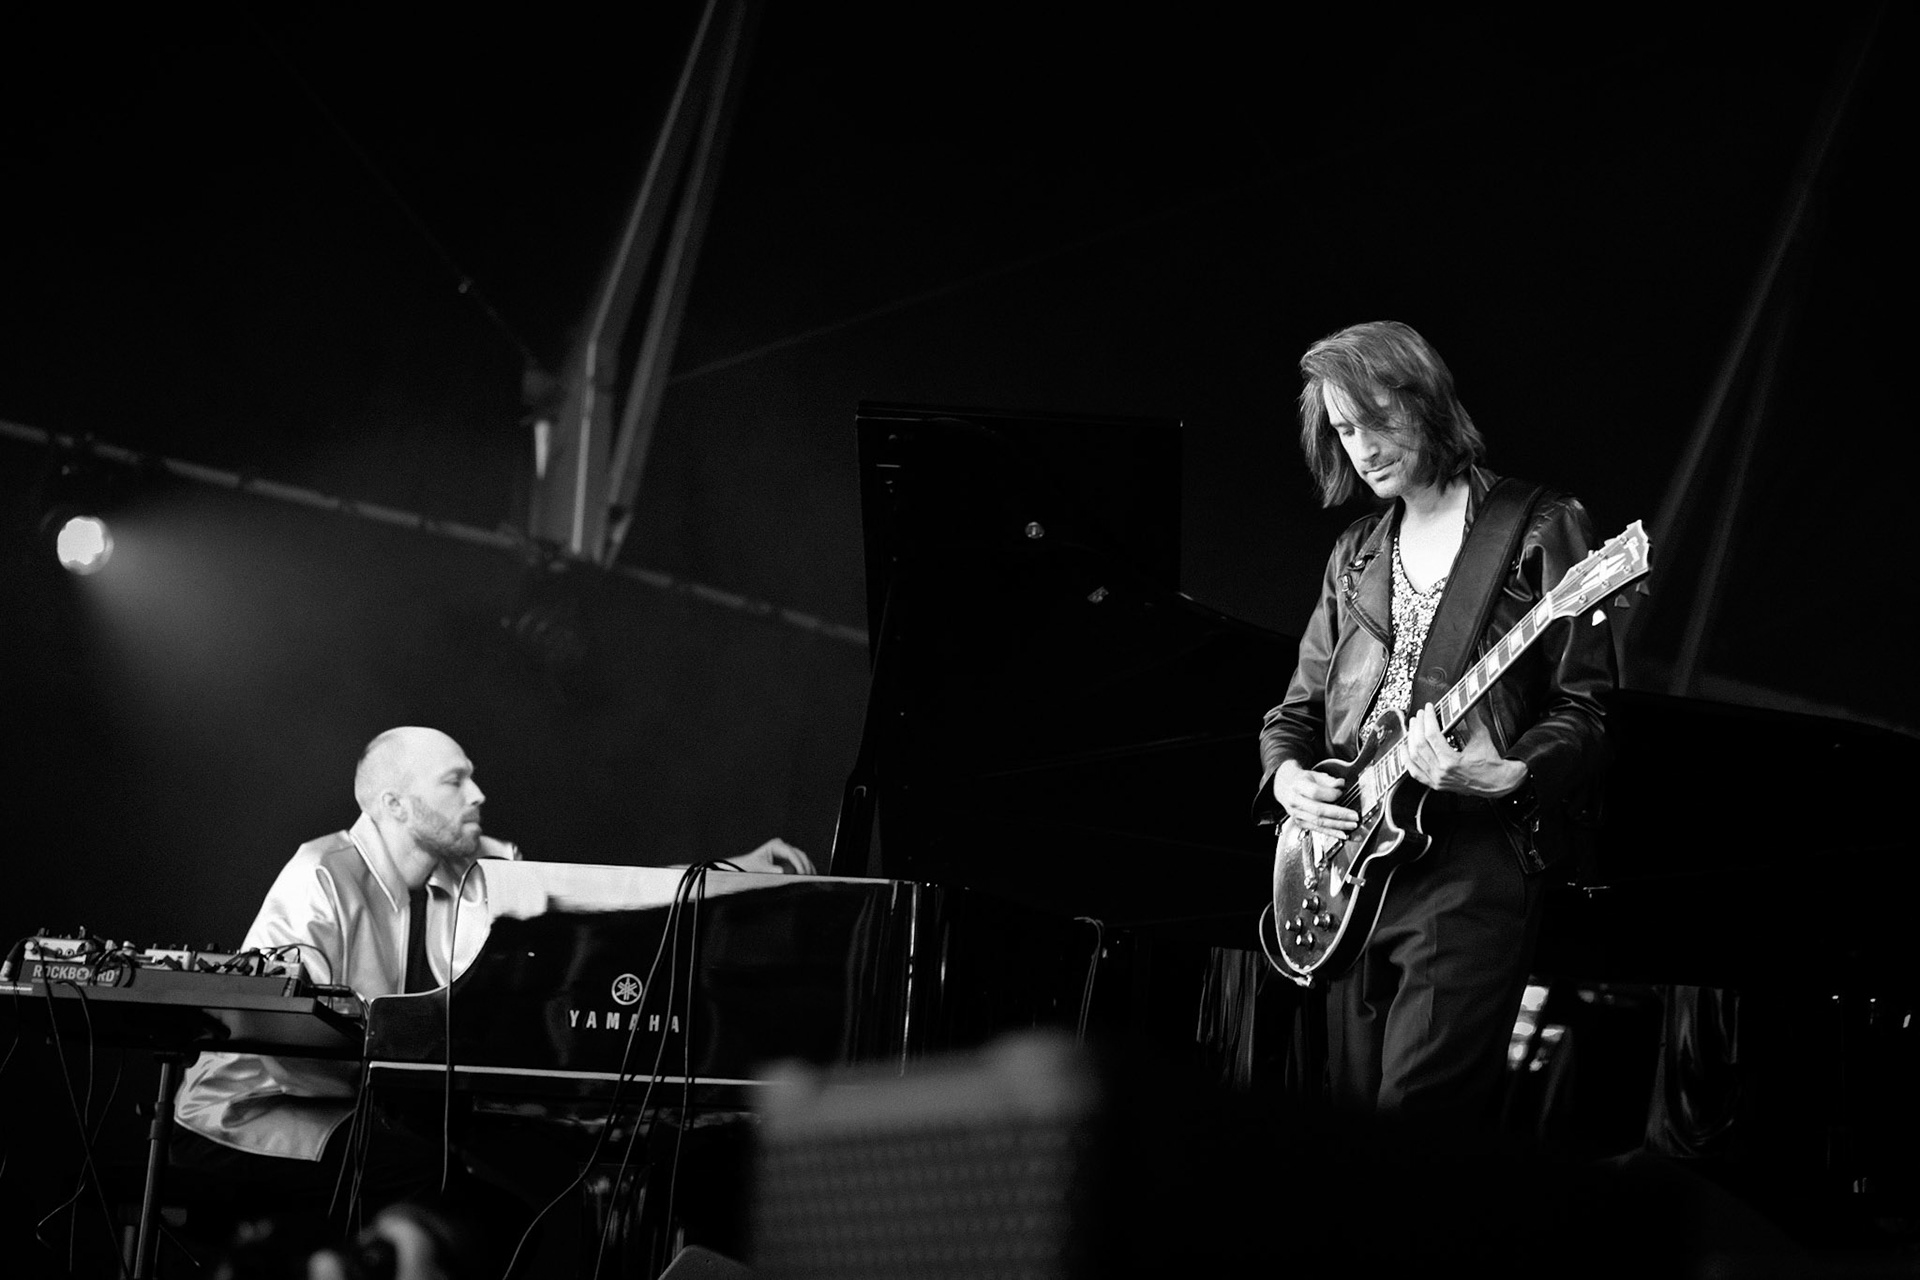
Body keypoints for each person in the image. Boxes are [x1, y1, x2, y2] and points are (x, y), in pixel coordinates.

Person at [170, 725, 814, 1221]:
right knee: (438, 1178)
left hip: (367, 1109)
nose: (479, 795)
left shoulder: (474, 866)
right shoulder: (321, 872)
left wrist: (728, 874)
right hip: (251, 1110)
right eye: (455, 782)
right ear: (395, 804)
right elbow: (283, 1033)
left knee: (535, 1174)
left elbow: (594, 900)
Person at [1256, 321, 1614, 1135]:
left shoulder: (1538, 524)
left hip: (1470, 861)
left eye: (1377, 420)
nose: (1362, 449)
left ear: (1427, 404)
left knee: (1419, 1132)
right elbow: (1296, 712)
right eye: (1344, 431)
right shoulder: (1354, 552)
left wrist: (1514, 772)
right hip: (1351, 871)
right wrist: (1287, 778)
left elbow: (1586, 711)